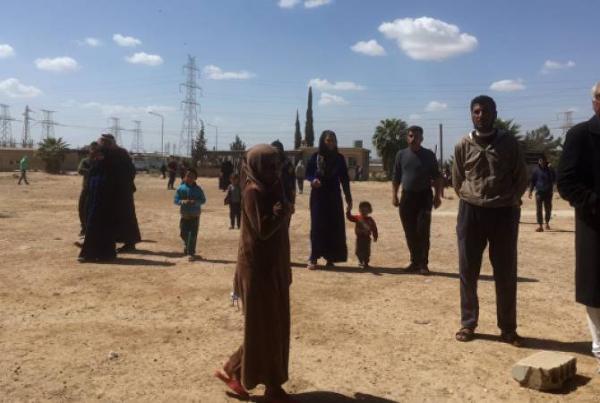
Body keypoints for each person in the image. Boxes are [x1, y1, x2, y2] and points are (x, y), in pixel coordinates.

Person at [215, 144, 294, 402]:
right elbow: (263, 230)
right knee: (264, 329)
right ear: (257, 167)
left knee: (272, 328)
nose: (275, 171)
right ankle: (269, 384)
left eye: (277, 166)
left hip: (275, 269)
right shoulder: (253, 192)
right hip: (257, 271)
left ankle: (234, 370)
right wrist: (281, 213)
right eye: (269, 167)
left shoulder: (275, 188)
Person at [452, 95, 528, 346]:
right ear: (471, 115)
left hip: (504, 213)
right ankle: (468, 323)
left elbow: (521, 176)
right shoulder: (463, 144)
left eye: (485, 111)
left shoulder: (509, 143)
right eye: (476, 111)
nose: (480, 116)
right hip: (471, 212)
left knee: (505, 272)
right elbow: (457, 179)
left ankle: (508, 328)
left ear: (495, 114)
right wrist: (472, 197)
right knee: (468, 270)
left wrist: (510, 199)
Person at [557, 81, 600, 372]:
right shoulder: (580, 135)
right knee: (595, 286)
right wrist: (593, 202)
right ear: (595, 101)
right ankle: (599, 344)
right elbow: (566, 181)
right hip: (594, 221)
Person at [392, 126, 442, 275]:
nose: (413, 139)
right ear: (407, 138)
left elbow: (437, 177)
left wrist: (437, 196)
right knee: (410, 231)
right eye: (411, 136)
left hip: (424, 197)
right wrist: (394, 195)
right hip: (407, 197)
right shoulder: (401, 154)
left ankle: (423, 264)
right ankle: (414, 262)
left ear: (422, 139)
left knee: (423, 231)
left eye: (416, 136)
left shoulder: (429, 155)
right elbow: (396, 176)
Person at [306, 130, 352, 270]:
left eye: (333, 140)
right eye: (328, 140)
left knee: (333, 226)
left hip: (334, 196)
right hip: (318, 196)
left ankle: (330, 257)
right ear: (323, 141)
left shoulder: (339, 158)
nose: (331, 143)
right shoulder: (315, 157)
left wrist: (348, 197)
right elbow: (308, 173)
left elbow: (344, 179)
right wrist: (313, 180)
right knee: (317, 226)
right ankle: (314, 257)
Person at [98, 134, 142, 252]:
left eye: (103, 142)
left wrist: (121, 184)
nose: (101, 144)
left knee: (126, 216)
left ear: (109, 143)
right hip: (113, 191)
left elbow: (130, 171)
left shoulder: (120, 154)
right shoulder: (108, 153)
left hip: (122, 191)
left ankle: (129, 243)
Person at [78, 147, 117, 262]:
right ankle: (89, 254)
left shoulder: (112, 170)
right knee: (92, 228)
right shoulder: (95, 169)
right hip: (94, 205)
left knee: (106, 230)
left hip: (107, 206)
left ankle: (106, 254)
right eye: (98, 155)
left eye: (101, 155)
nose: (99, 158)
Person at [174, 168, 206, 261]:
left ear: (195, 178)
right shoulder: (181, 188)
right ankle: (187, 245)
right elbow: (175, 200)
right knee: (183, 233)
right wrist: (182, 201)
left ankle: (191, 253)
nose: (189, 178)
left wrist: (195, 202)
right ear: (184, 177)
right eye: (188, 176)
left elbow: (203, 200)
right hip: (184, 215)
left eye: (192, 176)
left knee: (193, 235)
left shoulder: (198, 189)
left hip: (195, 215)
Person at [346, 201, 378, 269]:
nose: (363, 211)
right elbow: (350, 217)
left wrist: (375, 236)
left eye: (366, 210)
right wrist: (348, 211)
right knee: (358, 251)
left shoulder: (370, 220)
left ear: (369, 211)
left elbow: (374, 228)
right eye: (362, 209)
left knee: (367, 251)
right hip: (359, 238)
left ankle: (366, 263)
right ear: (359, 210)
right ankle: (360, 261)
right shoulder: (357, 218)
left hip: (367, 238)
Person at [528, 155, 556, 232]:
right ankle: (540, 225)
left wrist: (551, 169)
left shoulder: (550, 169)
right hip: (539, 193)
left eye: (543, 160)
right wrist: (530, 191)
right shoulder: (535, 170)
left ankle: (547, 223)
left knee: (548, 209)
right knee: (538, 209)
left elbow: (554, 179)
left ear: (546, 161)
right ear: (539, 161)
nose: (541, 162)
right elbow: (532, 181)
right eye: (540, 160)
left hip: (548, 192)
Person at [77, 142, 99, 237]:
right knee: (82, 208)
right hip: (86, 189)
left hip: (97, 190)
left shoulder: (101, 161)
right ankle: (84, 228)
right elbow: (80, 170)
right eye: (92, 149)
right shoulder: (85, 161)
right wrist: (92, 171)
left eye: (95, 149)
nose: (93, 151)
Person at [271, 140, 296, 207]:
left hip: (286, 195)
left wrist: (292, 201)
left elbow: (292, 182)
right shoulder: (269, 163)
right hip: (273, 197)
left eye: (277, 150)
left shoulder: (288, 164)